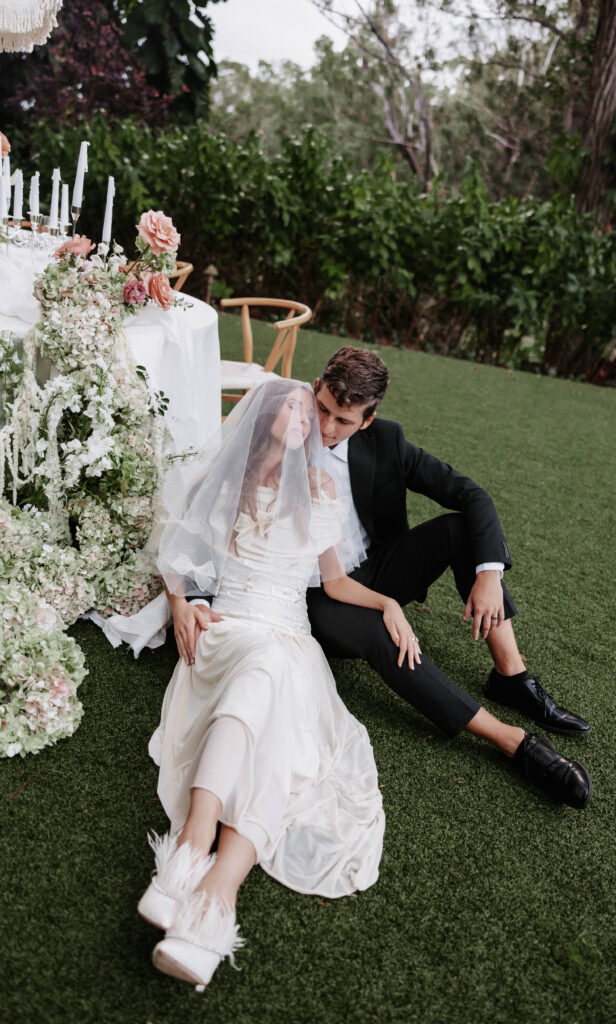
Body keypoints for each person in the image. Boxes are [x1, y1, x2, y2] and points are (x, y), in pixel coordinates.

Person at [138, 379, 420, 991]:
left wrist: (388, 602)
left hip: (289, 640)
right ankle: (205, 875)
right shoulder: (224, 480)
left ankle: (205, 876)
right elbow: (175, 551)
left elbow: (335, 583)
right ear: (266, 413)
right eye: (297, 408)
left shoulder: (320, 488)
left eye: (309, 414)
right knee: (265, 678)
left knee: (275, 724)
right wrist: (181, 603)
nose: (307, 421)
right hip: (229, 631)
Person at [301, 346, 592, 809]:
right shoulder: (283, 427)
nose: (326, 427)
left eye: (343, 420)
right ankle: (511, 740)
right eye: (322, 408)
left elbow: (473, 496)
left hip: (372, 569)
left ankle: (511, 676)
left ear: (368, 420)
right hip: (315, 595)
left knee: (461, 531)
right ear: (315, 387)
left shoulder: (387, 441)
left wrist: (489, 574)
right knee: (380, 631)